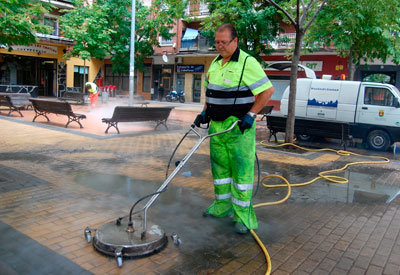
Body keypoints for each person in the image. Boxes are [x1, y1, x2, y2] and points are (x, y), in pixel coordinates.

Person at [194, 23, 274, 234]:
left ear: (235, 41)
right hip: (217, 129)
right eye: (217, 42)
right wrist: (205, 112)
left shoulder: (248, 62)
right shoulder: (215, 63)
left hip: (238, 128)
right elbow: (210, 92)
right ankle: (222, 206)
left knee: (241, 172)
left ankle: (243, 218)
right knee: (220, 170)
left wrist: (251, 114)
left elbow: (267, 91)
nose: (220, 46)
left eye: (224, 42)